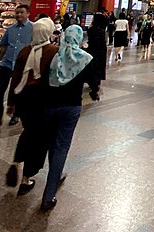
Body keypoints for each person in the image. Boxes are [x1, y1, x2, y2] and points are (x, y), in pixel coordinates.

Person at [39, 24, 101, 211]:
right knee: (62, 147)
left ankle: (55, 174)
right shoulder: (85, 58)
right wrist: (95, 92)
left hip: (50, 106)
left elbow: (43, 81)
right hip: (71, 107)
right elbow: (94, 82)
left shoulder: (54, 56)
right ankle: (49, 194)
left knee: (52, 143)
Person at [5, 18, 57, 194]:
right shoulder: (53, 51)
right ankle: (27, 177)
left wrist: (11, 102)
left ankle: (16, 161)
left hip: (24, 98)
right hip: (43, 100)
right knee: (40, 138)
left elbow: (16, 77)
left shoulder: (25, 51)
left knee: (28, 131)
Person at [0, 4, 33, 133]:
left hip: (22, 65)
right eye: (17, 13)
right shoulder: (10, 29)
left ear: (28, 13)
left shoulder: (33, 28)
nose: (19, 15)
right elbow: (4, 46)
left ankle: (16, 114)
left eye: (21, 12)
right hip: (7, 63)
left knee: (18, 91)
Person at [86, 13, 108, 83]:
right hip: (101, 50)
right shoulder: (102, 30)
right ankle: (97, 79)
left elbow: (89, 33)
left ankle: (91, 79)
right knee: (99, 65)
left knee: (92, 65)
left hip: (92, 49)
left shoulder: (92, 29)